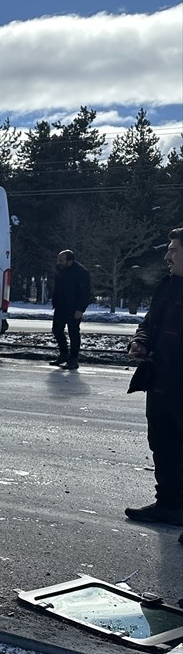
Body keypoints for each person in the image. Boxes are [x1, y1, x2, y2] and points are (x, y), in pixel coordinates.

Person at [125, 227, 183, 532]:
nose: (167, 256)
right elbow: (149, 321)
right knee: (162, 443)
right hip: (161, 380)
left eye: (174, 250)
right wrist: (141, 341)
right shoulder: (169, 285)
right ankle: (169, 505)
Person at [49, 249, 91, 370]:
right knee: (56, 330)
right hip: (61, 306)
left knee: (73, 333)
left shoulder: (81, 272)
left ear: (70, 261)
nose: (59, 262)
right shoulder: (60, 269)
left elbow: (85, 292)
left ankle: (73, 359)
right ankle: (63, 354)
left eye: (61, 260)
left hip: (73, 308)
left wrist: (80, 309)